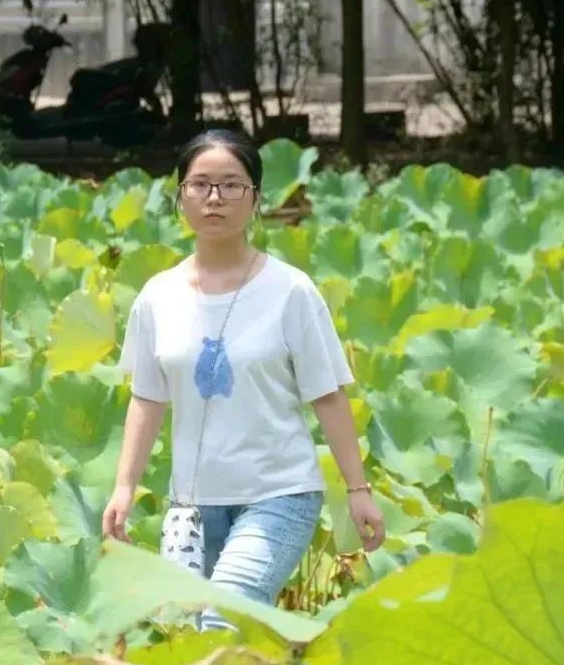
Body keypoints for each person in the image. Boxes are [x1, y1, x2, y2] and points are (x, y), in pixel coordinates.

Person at [102, 129, 385, 631]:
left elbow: (328, 396)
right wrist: (124, 487)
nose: (215, 197)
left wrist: (357, 489)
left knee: (222, 620)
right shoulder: (158, 296)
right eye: (200, 184)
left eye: (232, 185)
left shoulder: (290, 291)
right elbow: (147, 398)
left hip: (279, 493)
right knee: (192, 639)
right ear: (180, 198)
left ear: (255, 199)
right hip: (190, 506)